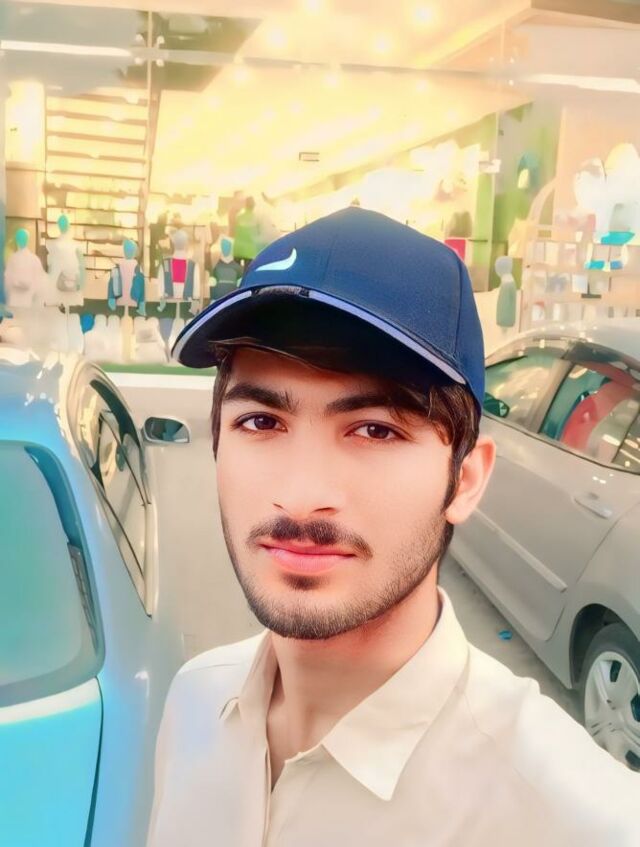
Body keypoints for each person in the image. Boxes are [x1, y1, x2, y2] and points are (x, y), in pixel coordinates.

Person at [147, 208, 638, 847]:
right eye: (261, 423)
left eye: (375, 430)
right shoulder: (194, 703)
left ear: (465, 480)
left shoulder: (574, 821)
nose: (301, 496)